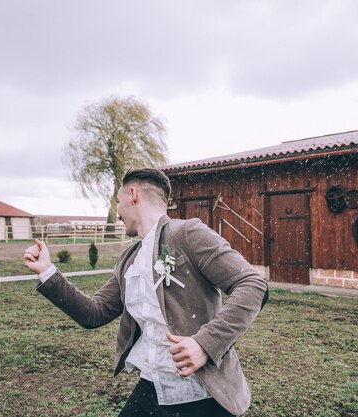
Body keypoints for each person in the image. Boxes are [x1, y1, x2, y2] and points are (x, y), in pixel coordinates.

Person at [24, 168, 268, 417]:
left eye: (118, 202)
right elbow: (93, 313)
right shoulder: (128, 259)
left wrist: (205, 344)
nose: (118, 212)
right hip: (152, 386)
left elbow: (253, 284)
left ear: (133, 195)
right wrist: (46, 271)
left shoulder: (188, 234)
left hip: (202, 392)